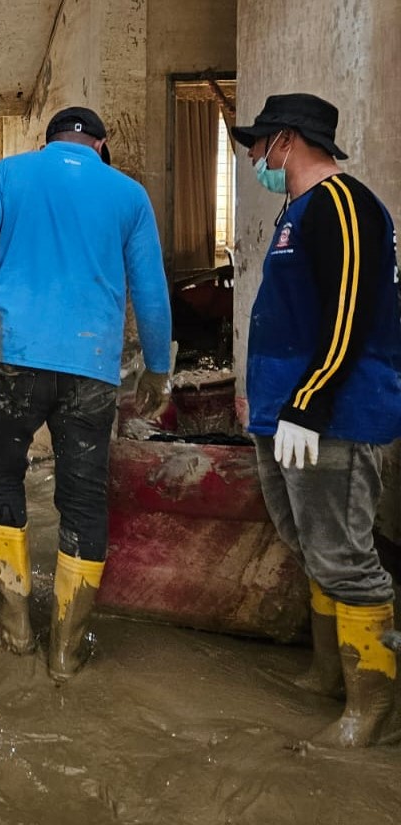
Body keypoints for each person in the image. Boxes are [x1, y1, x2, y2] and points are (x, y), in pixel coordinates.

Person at [0, 106, 172, 679]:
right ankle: (67, 648)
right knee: (83, 500)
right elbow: (151, 290)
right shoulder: (128, 195)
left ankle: (15, 625)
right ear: (100, 145)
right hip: (92, 369)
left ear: (48, 140)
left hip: (12, 358)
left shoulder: (11, 174)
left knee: (2, 477)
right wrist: (158, 369)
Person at [231, 93, 401, 747]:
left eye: (258, 145)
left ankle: (372, 709)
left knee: (346, 556)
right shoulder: (295, 211)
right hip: (288, 415)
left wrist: (309, 400)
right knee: (311, 545)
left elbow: (352, 310)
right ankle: (330, 672)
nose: (254, 157)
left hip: (335, 414)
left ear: (287, 141)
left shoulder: (344, 204)